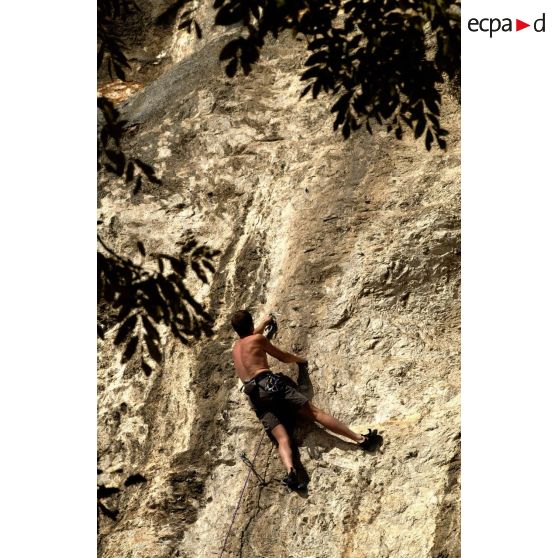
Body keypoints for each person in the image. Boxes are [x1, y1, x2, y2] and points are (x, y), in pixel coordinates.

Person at [230, 309, 381, 490]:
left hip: (254, 395)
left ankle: (291, 473)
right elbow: (282, 356)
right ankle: (362, 440)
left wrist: (263, 324)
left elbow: (250, 341)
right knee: (315, 413)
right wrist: (300, 360)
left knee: (282, 438)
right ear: (251, 325)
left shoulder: (235, 349)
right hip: (269, 385)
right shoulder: (257, 339)